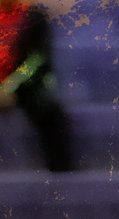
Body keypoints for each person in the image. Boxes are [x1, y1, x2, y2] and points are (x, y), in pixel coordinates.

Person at [0, 0, 74, 171]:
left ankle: (61, 177)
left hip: (23, 88)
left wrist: (9, 87)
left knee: (51, 111)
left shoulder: (34, 17)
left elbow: (37, 59)